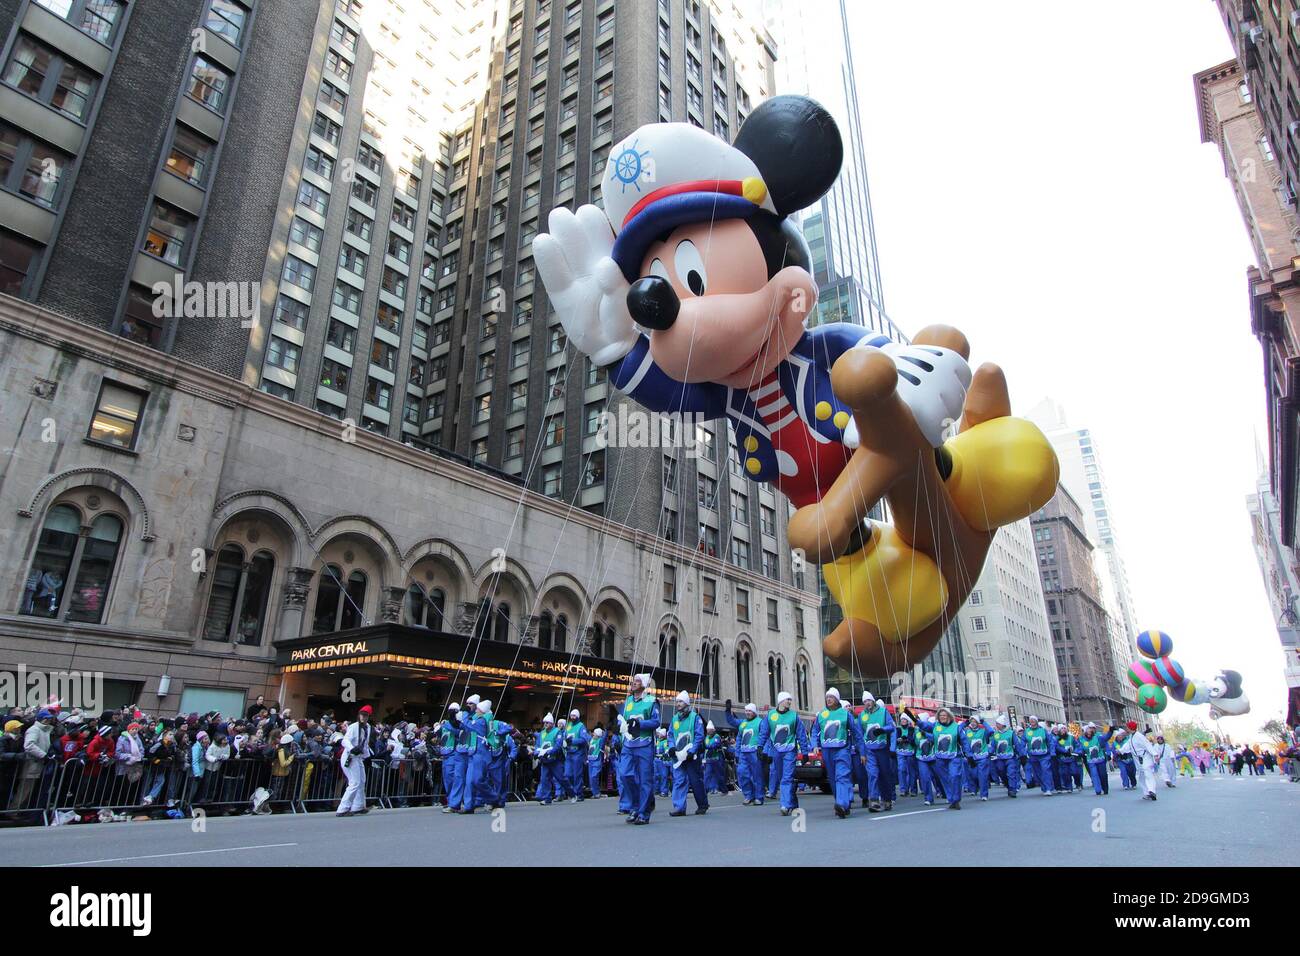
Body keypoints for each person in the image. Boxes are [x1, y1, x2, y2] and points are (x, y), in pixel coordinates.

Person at [617, 674, 661, 825]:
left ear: (643, 684)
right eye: (633, 681)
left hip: (644, 744)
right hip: (628, 744)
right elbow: (624, 721)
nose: (633, 683)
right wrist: (621, 728)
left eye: (637, 681)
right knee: (624, 775)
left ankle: (643, 812)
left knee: (645, 780)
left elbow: (656, 722)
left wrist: (639, 724)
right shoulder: (628, 701)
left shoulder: (651, 701)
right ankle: (635, 806)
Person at [810, 688, 859, 818]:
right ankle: (842, 804)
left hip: (842, 750)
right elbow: (815, 731)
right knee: (832, 779)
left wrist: (861, 750)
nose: (829, 699)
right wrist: (814, 745)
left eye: (832, 697)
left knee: (841, 776)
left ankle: (842, 804)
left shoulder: (845, 714)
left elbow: (856, 732)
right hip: (827, 750)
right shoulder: (821, 715)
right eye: (827, 697)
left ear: (837, 699)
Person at [757, 691, 808, 816]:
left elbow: (801, 734)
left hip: (790, 751)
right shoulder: (771, 715)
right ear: (780, 701)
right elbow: (764, 732)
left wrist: (805, 751)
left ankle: (785, 805)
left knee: (787, 778)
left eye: (790, 700)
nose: (789, 702)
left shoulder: (794, 716)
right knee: (782, 778)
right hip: (776, 751)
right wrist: (760, 747)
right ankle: (793, 803)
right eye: (787, 699)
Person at [668, 691, 708, 817]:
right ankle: (679, 807)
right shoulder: (674, 718)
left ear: (686, 703)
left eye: (680, 701)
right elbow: (670, 735)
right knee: (679, 780)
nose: (678, 704)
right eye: (677, 701)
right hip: (678, 756)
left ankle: (702, 804)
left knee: (695, 781)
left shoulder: (695, 717)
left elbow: (699, 735)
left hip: (691, 756)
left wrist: (693, 750)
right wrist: (672, 747)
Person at [854, 691, 896, 811]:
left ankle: (887, 799)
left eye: (868, 700)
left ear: (873, 700)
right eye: (865, 701)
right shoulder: (862, 715)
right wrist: (862, 752)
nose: (867, 703)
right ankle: (874, 801)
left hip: (882, 749)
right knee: (872, 774)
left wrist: (882, 730)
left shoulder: (883, 712)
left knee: (884, 774)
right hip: (869, 750)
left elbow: (891, 727)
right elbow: (860, 736)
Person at [917, 708, 965, 809]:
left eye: (944, 715)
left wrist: (969, 755)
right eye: (940, 715)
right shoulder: (936, 726)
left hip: (954, 756)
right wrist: (916, 720)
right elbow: (925, 726)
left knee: (954, 776)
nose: (942, 717)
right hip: (940, 757)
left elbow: (964, 741)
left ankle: (956, 799)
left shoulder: (956, 727)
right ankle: (951, 799)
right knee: (945, 779)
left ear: (949, 716)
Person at [724, 701, 764, 806]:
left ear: (754, 712)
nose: (747, 713)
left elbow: (765, 737)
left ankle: (758, 797)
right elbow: (732, 722)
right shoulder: (743, 723)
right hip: (743, 753)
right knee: (742, 774)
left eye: (750, 711)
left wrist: (764, 751)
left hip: (755, 753)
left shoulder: (760, 722)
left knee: (756, 776)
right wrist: (728, 711)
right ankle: (748, 796)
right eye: (746, 711)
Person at [337, 705, 373, 817]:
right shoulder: (353, 726)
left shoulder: (368, 727)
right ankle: (343, 808)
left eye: (366, 715)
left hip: (358, 757)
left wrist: (366, 756)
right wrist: (352, 748)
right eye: (362, 715)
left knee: (362, 781)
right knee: (355, 782)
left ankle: (358, 806)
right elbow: (345, 740)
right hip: (350, 756)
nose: (363, 717)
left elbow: (365, 743)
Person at [912, 712, 946, 806]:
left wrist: (926, 734)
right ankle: (928, 798)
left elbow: (936, 738)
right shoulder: (916, 730)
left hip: (933, 756)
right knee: (924, 777)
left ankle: (946, 794)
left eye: (919, 719)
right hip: (921, 757)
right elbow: (915, 742)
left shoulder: (932, 728)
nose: (917, 721)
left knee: (939, 776)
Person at [534, 713, 564, 805]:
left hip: (555, 760)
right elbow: (538, 746)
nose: (545, 724)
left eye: (547, 722)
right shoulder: (542, 733)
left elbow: (558, 745)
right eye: (544, 722)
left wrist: (550, 752)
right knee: (544, 779)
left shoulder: (557, 732)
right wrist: (536, 753)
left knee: (560, 778)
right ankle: (547, 798)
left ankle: (571, 793)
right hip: (545, 760)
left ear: (551, 723)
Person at [962, 714, 994, 801]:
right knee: (973, 775)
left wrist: (984, 722)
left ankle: (984, 794)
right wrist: (965, 722)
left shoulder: (983, 731)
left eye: (975, 722)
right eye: (971, 721)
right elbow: (959, 733)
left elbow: (991, 731)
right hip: (972, 758)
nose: (973, 723)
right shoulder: (966, 732)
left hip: (983, 757)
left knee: (982, 776)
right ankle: (975, 787)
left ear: (978, 723)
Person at [989, 715, 1022, 797]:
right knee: (1001, 772)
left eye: (998, 724)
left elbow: (1017, 744)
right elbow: (993, 746)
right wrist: (989, 753)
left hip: (1010, 757)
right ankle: (1008, 785)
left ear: (1002, 724)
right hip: (999, 758)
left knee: (1011, 773)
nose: (996, 725)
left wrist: (1021, 754)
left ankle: (1012, 790)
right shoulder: (995, 735)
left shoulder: (1011, 733)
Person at [1021, 715, 1055, 795]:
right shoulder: (1027, 731)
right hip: (1033, 756)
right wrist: (1023, 754)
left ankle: (1048, 788)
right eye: (1030, 720)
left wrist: (1052, 752)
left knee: (1045, 770)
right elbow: (1022, 743)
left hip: (1044, 755)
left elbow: (1050, 741)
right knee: (1038, 773)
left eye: (1033, 720)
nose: (1032, 721)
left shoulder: (1043, 730)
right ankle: (1044, 788)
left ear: (1036, 721)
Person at [562, 708, 589, 802]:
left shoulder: (581, 726)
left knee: (577, 774)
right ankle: (572, 792)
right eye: (571, 716)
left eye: (574, 716)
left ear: (577, 716)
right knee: (567, 774)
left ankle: (579, 793)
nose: (572, 717)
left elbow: (584, 740)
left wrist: (572, 741)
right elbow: (564, 736)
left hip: (578, 753)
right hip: (569, 753)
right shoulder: (568, 726)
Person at [1079, 723, 1113, 795]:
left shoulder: (1098, 737)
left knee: (1103, 775)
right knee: (1094, 775)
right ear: (1085, 732)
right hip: (1091, 761)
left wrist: (1110, 732)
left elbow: (1106, 738)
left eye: (1090, 731)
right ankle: (1098, 790)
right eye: (1087, 731)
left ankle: (1105, 789)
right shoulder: (1082, 740)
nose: (1089, 733)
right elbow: (1079, 748)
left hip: (1100, 760)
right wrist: (1079, 752)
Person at [1127, 722, 1159, 801]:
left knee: (1147, 773)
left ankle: (1152, 791)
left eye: (1127, 727)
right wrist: (1120, 751)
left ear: (1130, 728)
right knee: (1141, 776)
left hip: (1145, 757)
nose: (1126, 728)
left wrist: (1155, 754)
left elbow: (1147, 745)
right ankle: (1147, 793)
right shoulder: (1131, 737)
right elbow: (1127, 746)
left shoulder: (1139, 736)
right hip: (1137, 759)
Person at [895, 713, 919, 798]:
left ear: (908, 720)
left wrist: (908, 739)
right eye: (902, 719)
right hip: (900, 752)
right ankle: (903, 789)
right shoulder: (897, 729)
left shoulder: (913, 729)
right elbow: (895, 740)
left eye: (905, 719)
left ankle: (913, 789)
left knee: (911, 771)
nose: (903, 721)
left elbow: (915, 741)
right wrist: (898, 740)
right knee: (901, 770)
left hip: (910, 752)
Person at [702, 721, 727, 794]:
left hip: (716, 759)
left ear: (713, 730)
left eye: (710, 730)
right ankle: (705, 790)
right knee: (707, 775)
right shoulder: (706, 737)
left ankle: (723, 790)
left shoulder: (717, 737)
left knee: (719, 775)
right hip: (708, 759)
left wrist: (706, 746)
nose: (708, 731)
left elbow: (715, 745)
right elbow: (704, 749)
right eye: (707, 730)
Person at [586, 726, 607, 799]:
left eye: (594, 734)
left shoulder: (600, 741)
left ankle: (597, 792)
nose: (593, 735)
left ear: (598, 735)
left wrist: (605, 732)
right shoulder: (591, 740)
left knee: (594, 776)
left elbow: (604, 738)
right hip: (590, 761)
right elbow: (586, 736)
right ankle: (595, 793)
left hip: (597, 761)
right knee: (591, 778)